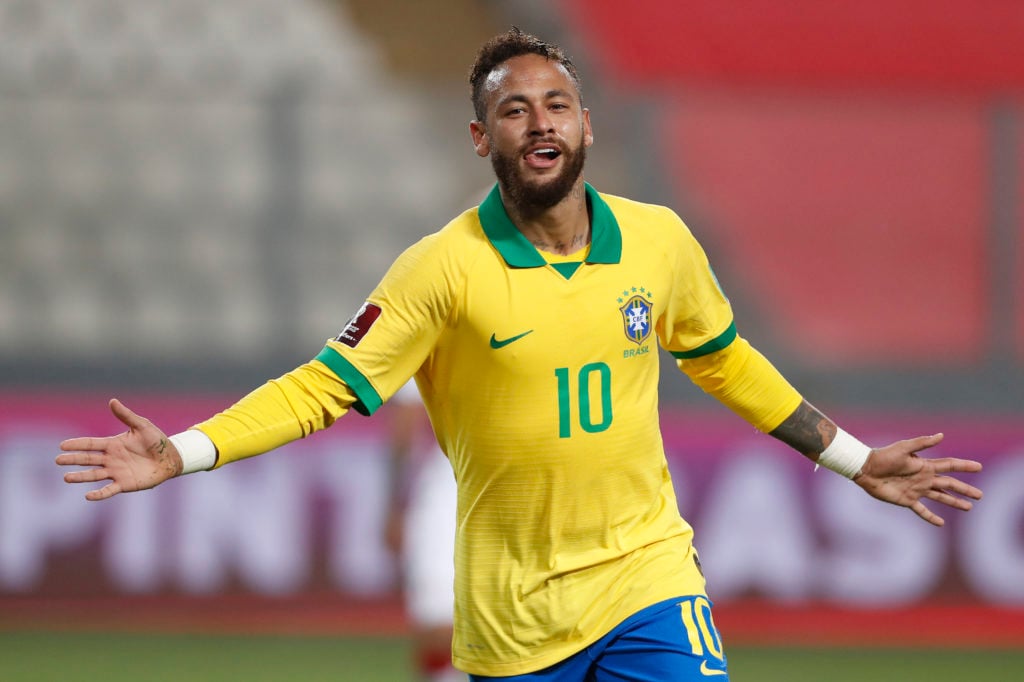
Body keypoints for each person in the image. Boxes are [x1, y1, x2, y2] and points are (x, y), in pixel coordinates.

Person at [57, 28, 984, 682]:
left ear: (586, 124)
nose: (540, 123)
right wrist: (184, 450)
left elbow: (726, 361)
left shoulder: (659, 243)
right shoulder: (440, 271)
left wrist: (855, 461)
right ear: (480, 138)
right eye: (514, 111)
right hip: (513, 617)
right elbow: (324, 388)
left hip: (648, 578)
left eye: (558, 105)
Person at [383, 380, 460, 682]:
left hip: (516, 481)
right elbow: (406, 421)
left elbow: (404, 426)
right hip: (457, 476)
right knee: (439, 621)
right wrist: (396, 504)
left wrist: (393, 505)